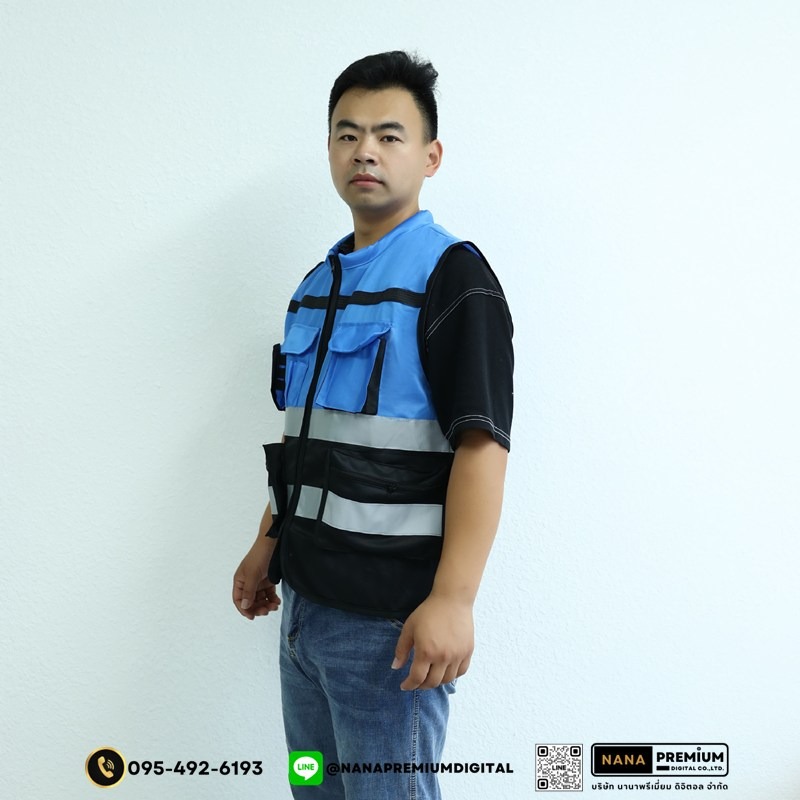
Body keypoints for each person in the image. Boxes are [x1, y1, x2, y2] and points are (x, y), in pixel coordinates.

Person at [232, 50, 513, 800]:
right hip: (303, 616)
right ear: (329, 149)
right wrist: (268, 542)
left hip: (389, 629)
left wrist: (453, 600)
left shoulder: (452, 278)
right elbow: (306, 440)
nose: (365, 151)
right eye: (348, 133)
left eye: (389, 135)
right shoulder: (315, 288)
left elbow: (481, 445)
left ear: (430, 156)